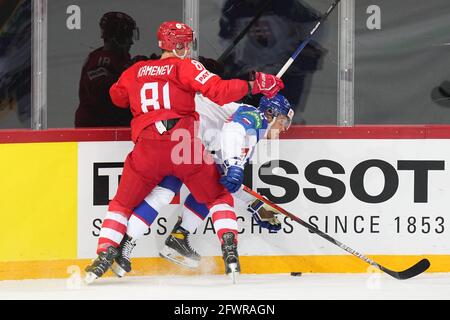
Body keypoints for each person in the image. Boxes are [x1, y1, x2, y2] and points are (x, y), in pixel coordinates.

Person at [84, 20, 284, 283]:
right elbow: (220, 91)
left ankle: (106, 253)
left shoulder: (136, 70)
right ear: (183, 46)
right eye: (185, 45)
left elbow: (117, 97)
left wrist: (142, 80)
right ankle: (230, 251)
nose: (186, 49)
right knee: (217, 195)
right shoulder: (188, 68)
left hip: (147, 147)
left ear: (159, 44)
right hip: (183, 145)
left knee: (124, 203)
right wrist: (254, 84)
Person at [109, 93, 293, 276]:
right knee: (194, 191)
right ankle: (167, 238)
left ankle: (139, 243)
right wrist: (235, 164)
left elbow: (225, 178)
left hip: (184, 142)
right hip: (184, 138)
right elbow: (233, 131)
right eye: (283, 122)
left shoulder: (252, 137)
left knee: (183, 190)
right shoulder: (255, 116)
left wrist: (255, 204)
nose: (284, 129)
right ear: (270, 113)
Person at [74, 12, 144, 127]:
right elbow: (104, 96)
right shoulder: (99, 61)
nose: (131, 42)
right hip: (98, 131)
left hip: (113, 129)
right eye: (128, 36)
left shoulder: (120, 60)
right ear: (118, 36)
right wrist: (132, 73)